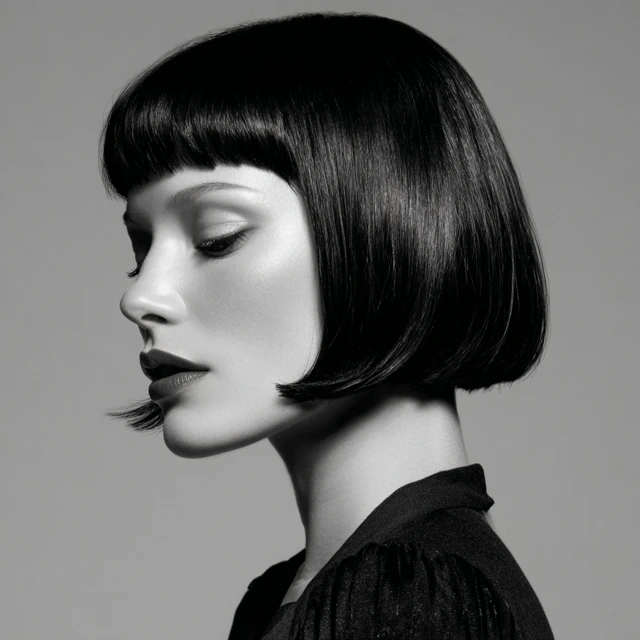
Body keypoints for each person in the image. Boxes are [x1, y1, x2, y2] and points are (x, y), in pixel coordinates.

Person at [100, 11, 555, 639]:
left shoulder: (401, 599)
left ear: (386, 234)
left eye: (215, 237)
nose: (140, 296)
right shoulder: (316, 593)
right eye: (141, 248)